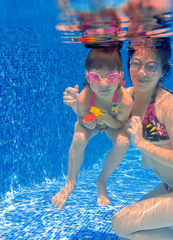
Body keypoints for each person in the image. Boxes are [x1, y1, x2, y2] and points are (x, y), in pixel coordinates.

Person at [63, 38, 173, 239]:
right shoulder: (126, 99)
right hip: (170, 188)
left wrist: (142, 144)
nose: (141, 72)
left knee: (121, 224)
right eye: (136, 64)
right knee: (130, 229)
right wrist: (77, 106)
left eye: (151, 66)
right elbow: (103, 123)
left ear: (163, 71)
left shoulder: (167, 105)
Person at [52, 46, 133, 211]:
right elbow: (81, 119)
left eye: (111, 77)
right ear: (87, 78)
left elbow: (119, 124)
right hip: (93, 123)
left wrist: (109, 119)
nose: (103, 84)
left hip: (112, 123)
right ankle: (70, 182)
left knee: (123, 142)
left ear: (120, 78)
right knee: (78, 137)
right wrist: (86, 123)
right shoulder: (84, 97)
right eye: (96, 77)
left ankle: (102, 180)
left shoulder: (125, 101)